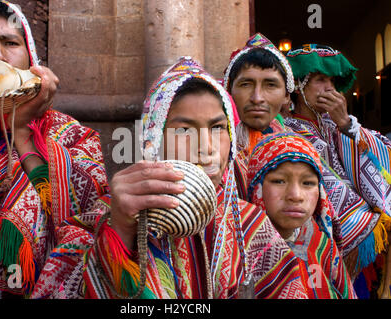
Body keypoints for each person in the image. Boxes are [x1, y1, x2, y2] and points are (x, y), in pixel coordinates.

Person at [32, 56, 313, 299]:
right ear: (153, 141)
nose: (206, 147)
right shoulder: (107, 216)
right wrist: (119, 233)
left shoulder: (250, 225)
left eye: (217, 128)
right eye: (184, 130)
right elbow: (58, 285)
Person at [0, 0, 108, 298]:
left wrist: (21, 132)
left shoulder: (71, 136)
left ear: (30, 59)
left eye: (10, 42)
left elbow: (89, 221)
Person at [285, 44, 391, 298]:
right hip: (318, 235)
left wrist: (346, 124)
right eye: (320, 80)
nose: (330, 88)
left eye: (332, 81)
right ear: (298, 85)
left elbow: (383, 154)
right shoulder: (288, 129)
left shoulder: (335, 122)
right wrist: (368, 213)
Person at [246, 132, 356, 298]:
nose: (296, 195)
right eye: (279, 181)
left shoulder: (322, 246)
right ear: (256, 188)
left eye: (308, 183)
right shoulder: (241, 253)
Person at [222, 33, 295, 199]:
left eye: (270, 85)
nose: (257, 98)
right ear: (228, 90)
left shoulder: (297, 144)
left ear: (286, 95)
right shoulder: (213, 145)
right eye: (246, 84)